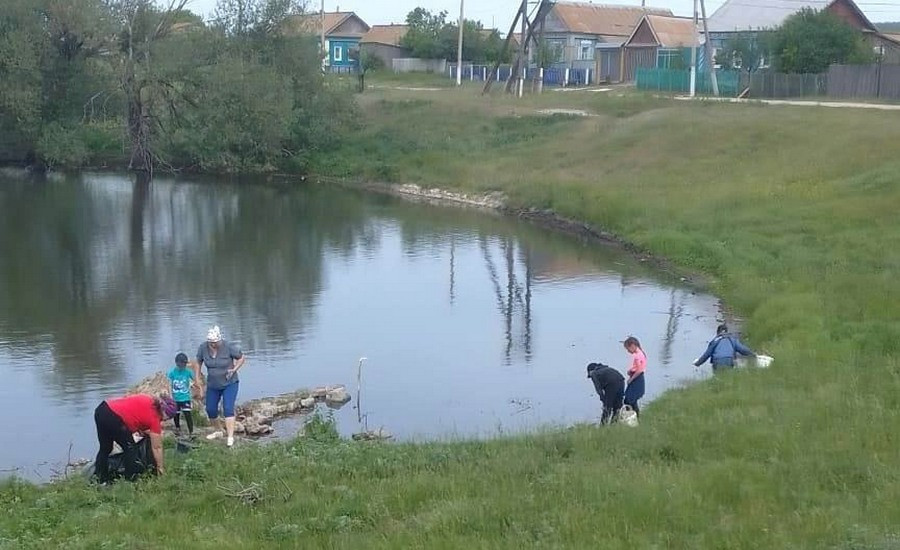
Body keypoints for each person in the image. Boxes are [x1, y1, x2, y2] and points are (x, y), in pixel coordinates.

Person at [94, 394, 177, 483]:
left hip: (102, 409)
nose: (164, 421)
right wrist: (160, 467)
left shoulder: (148, 398)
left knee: (105, 448)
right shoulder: (154, 419)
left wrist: (140, 428)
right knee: (130, 449)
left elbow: (132, 410)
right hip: (114, 418)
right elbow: (157, 447)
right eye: (167, 418)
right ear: (164, 413)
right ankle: (130, 479)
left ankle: (100, 479)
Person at [193, 325, 245, 447]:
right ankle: (218, 430)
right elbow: (198, 362)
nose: (213, 344)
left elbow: (242, 358)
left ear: (219, 340)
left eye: (215, 342)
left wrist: (234, 369)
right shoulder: (203, 348)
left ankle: (230, 437)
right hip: (213, 384)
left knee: (227, 408)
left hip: (229, 383)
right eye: (211, 342)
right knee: (210, 409)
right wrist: (197, 377)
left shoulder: (229, 347)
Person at [168, 352, 195, 437]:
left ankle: (191, 431)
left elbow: (194, 380)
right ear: (177, 363)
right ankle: (177, 428)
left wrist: (192, 384)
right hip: (176, 398)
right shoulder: (172, 372)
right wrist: (170, 396)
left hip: (185, 397)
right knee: (176, 414)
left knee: (188, 414)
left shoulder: (188, 372)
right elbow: (169, 384)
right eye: (181, 363)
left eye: (184, 363)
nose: (183, 365)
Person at [623, 336, 647, 417]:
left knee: (630, 399)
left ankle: (633, 417)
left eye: (628, 348)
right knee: (630, 399)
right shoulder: (640, 353)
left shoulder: (638, 356)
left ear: (633, 345)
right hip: (636, 376)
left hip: (637, 379)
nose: (628, 351)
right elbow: (638, 367)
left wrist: (631, 379)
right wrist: (631, 370)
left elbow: (640, 370)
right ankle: (633, 416)